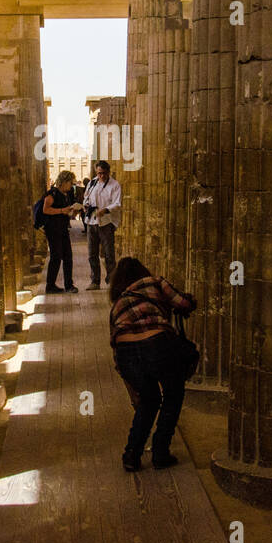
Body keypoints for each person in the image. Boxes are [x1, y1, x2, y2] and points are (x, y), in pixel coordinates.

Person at [108, 257, 196, 471]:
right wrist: (190, 301)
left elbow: (115, 346)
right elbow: (183, 303)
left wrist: (130, 384)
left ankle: (131, 454)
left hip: (126, 352)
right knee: (173, 395)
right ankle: (160, 452)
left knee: (149, 400)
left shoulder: (118, 304)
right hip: (158, 344)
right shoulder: (154, 282)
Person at [82, 160, 120, 290]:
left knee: (109, 253)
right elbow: (86, 197)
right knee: (92, 253)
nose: (101, 176)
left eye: (104, 173)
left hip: (106, 222)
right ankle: (95, 281)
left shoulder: (114, 185)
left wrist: (105, 210)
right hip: (91, 222)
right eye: (99, 173)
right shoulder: (92, 182)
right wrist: (86, 206)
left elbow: (117, 203)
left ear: (108, 172)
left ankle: (111, 281)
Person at [41, 170, 81, 294]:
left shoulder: (66, 195)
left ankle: (69, 285)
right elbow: (46, 210)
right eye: (70, 183)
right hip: (53, 230)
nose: (71, 186)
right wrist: (62, 210)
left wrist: (72, 212)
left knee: (68, 257)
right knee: (56, 257)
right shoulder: (52, 193)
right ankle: (50, 285)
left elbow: (64, 211)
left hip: (62, 229)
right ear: (63, 181)